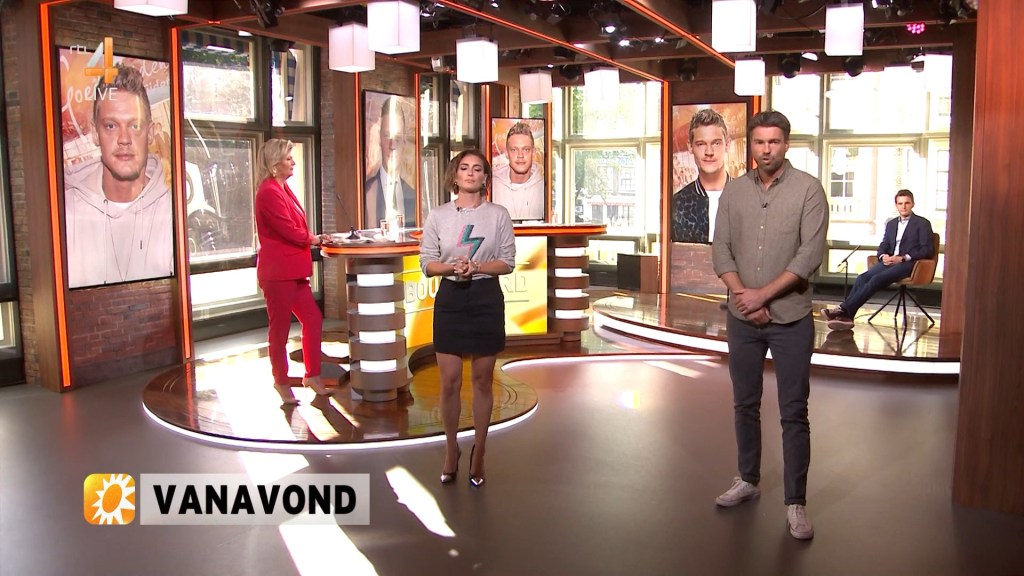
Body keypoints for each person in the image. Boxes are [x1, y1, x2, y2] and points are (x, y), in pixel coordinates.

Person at [712, 110, 828, 540]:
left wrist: (763, 296)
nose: (766, 150)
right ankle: (747, 478)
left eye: (774, 142)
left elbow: (808, 255)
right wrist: (746, 296)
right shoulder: (734, 191)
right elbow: (721, 249)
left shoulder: (808, 190)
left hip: (791, 318)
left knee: (793, 411)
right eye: (759, 142)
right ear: (752, 145)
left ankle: (796, 503)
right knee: (744, 403)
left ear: (786, 144)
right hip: (742, 319)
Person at [419, 149, 516, 487]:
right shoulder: (438, 216)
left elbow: (507, 261)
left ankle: (480, 452)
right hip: (451, 298)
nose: (471, 173)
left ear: (485, 177)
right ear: (455, 175)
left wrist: (477, 267)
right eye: (464, 168)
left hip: (486, 297)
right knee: (449, 382)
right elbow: (427, 262)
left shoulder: (499, 215)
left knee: (482, 380)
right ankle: (451, 450)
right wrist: (451, 267)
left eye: (477, 168)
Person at [64, 63, 173, 288]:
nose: (124, 139)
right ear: (95, 133)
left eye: (135, 125)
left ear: (150, 133)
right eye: (111, 126)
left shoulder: (173, 212)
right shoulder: (64, 213)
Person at [254, 138, 331, 406]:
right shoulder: (268, 192)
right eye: (288, 158)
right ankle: (281, 381)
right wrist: (313, 239)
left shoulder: (283, 189)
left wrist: (313, 237)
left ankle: (313, 375)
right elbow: (288, 229)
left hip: (294, 271)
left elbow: (295, 226)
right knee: (280, 330)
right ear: (274, 164)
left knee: (313, 319)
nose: (294, 162)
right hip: (278, 273)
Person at [823, 190, 935, 330]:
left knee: (876, 279)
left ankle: (843, 310)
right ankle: (847, 317)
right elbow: (884, 245)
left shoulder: (923, 223)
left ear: (913, 204)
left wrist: (902, 258)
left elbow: (927, 250)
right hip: (889, 261)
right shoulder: (891, 224)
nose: (903, 206)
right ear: (896, 205)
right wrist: (883, 256)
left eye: (907, 203)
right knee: (862, 278)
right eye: (900, 203)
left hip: (908, 263)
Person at [672, 108, 731, 244]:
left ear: (727, 145)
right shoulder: (677, 204)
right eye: (701, 144)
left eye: (716, 143)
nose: (709, 152)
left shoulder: (748, 199)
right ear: (690, 147)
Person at [364, 97, 417, 228]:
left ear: (404, 142)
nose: (392, 145)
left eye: (397, 138)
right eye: (387, 136)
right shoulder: (366, 191)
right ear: (379, 139)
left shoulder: (413, 195)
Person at [491, 122, 545, 220]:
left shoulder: (544, 188)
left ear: (533, 152)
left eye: (526, 150)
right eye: (514, 150)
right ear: (506, 153)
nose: (520, 155)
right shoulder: (492, 186)